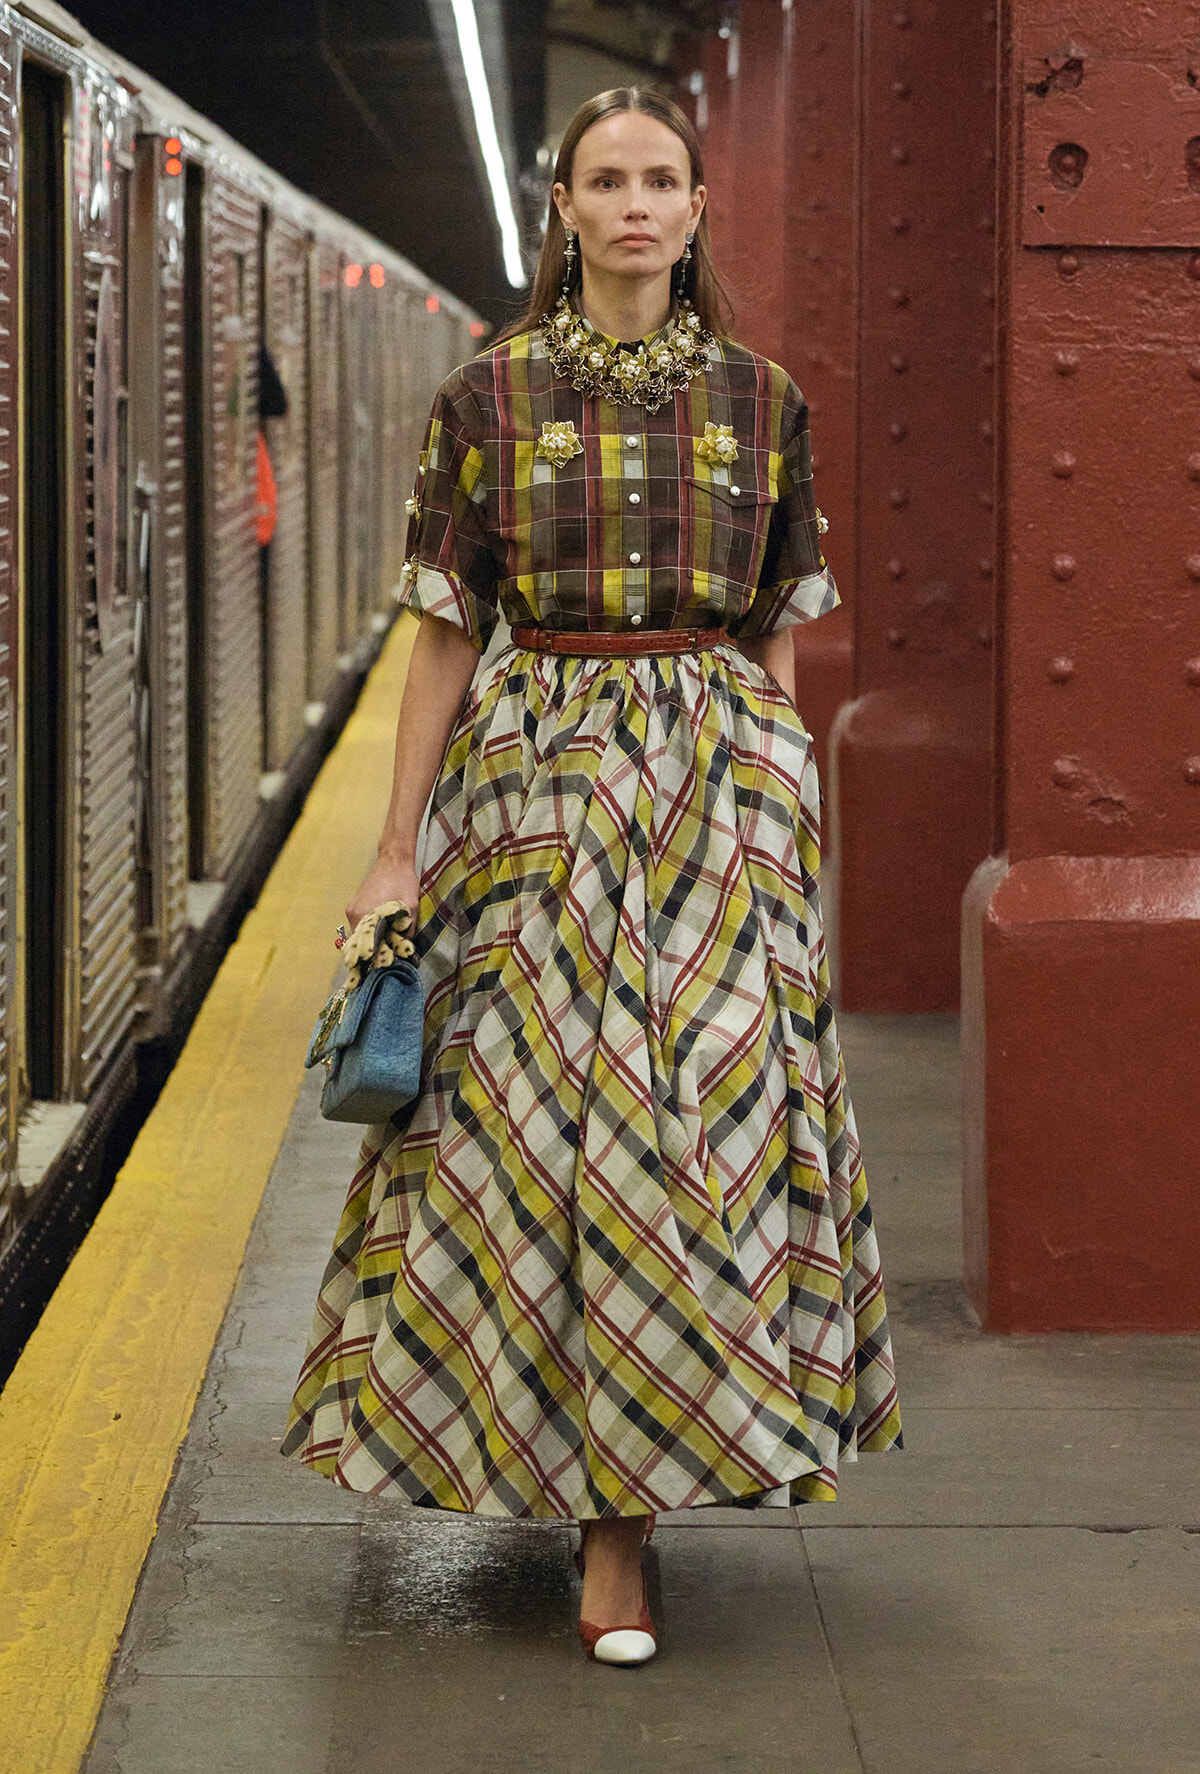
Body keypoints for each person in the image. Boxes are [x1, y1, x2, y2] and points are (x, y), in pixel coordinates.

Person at [282, 86, 901, 1667]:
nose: (635, 204)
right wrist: (395, 847)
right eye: (605, 180)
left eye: (661, 180)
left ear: (699, 211)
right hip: (534, 793)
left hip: (714, 805)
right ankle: (585, 1498)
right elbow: (439, 633)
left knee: (686, 1138)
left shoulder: (767, 401)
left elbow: (779, 622)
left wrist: (769, 793)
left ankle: (618, 1526)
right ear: (565, 209)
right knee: (541, 1144)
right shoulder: (483, 399)